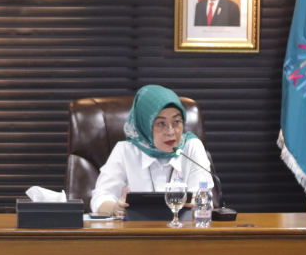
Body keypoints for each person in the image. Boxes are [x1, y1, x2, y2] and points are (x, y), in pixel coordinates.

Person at [90, 85, 214, 216]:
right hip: (136, 228)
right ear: (145, 125)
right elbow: (100, 198)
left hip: (182, 228)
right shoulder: (124, 151)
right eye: (161, 124)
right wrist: (115, 208)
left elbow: (204, 200)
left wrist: (198, 205)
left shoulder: (192, 147)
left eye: (177, 121)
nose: (171, 131)